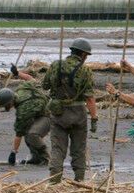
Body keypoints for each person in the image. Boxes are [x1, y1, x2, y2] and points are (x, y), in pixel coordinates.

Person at [42, 38, 98, 183]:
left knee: (57, 149)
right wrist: (94, 119)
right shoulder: (85, 70)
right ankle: (79, 180)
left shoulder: (56, 65)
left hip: (58, 113)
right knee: (79, 149)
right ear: (83, 54)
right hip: (78, 113)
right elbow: (90, 98)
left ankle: (54, 181)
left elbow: (45, 86)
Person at [0, 65, 51, 166]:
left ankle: (45, 158)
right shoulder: (21, 88)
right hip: (39, 115)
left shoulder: (23, 111)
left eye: (7, 106)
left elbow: (18, 134)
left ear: (10, 102)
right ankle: (36, 157)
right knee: (27, 133)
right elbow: (30, 78)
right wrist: (17, 73)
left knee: (32, 134)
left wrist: (13, 153)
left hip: (49, 115)